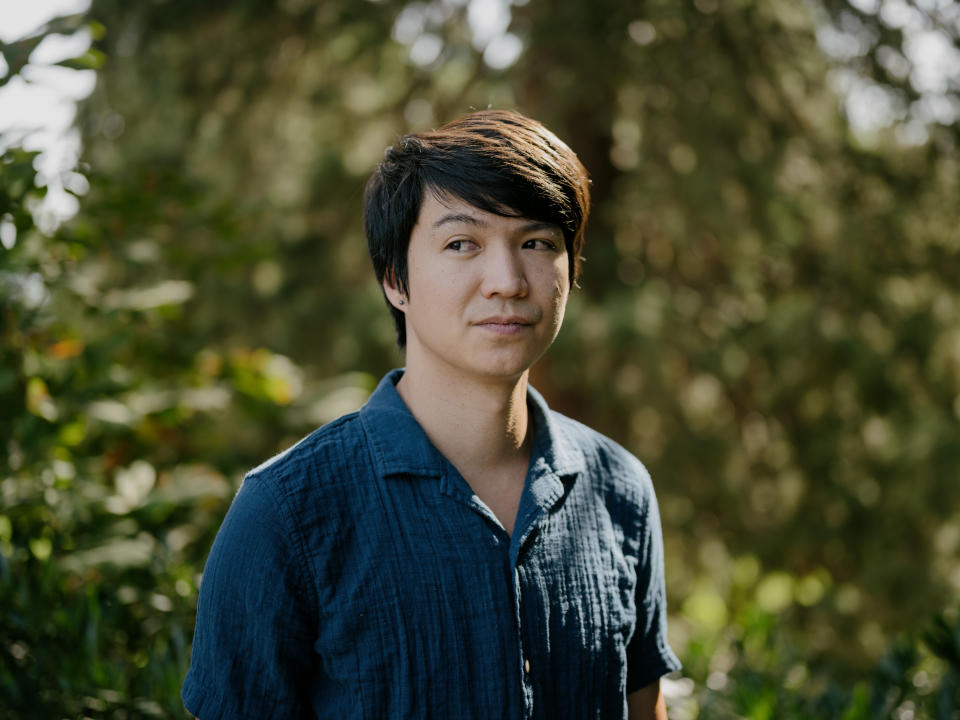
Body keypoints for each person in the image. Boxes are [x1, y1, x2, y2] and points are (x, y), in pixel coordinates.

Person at [182, 109, 680, 719]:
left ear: (569, 270)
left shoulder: (620, 489)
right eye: (461, 243)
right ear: (396, 278)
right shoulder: (285, 513)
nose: (506, 280)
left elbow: (644, 707)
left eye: (536, 242)